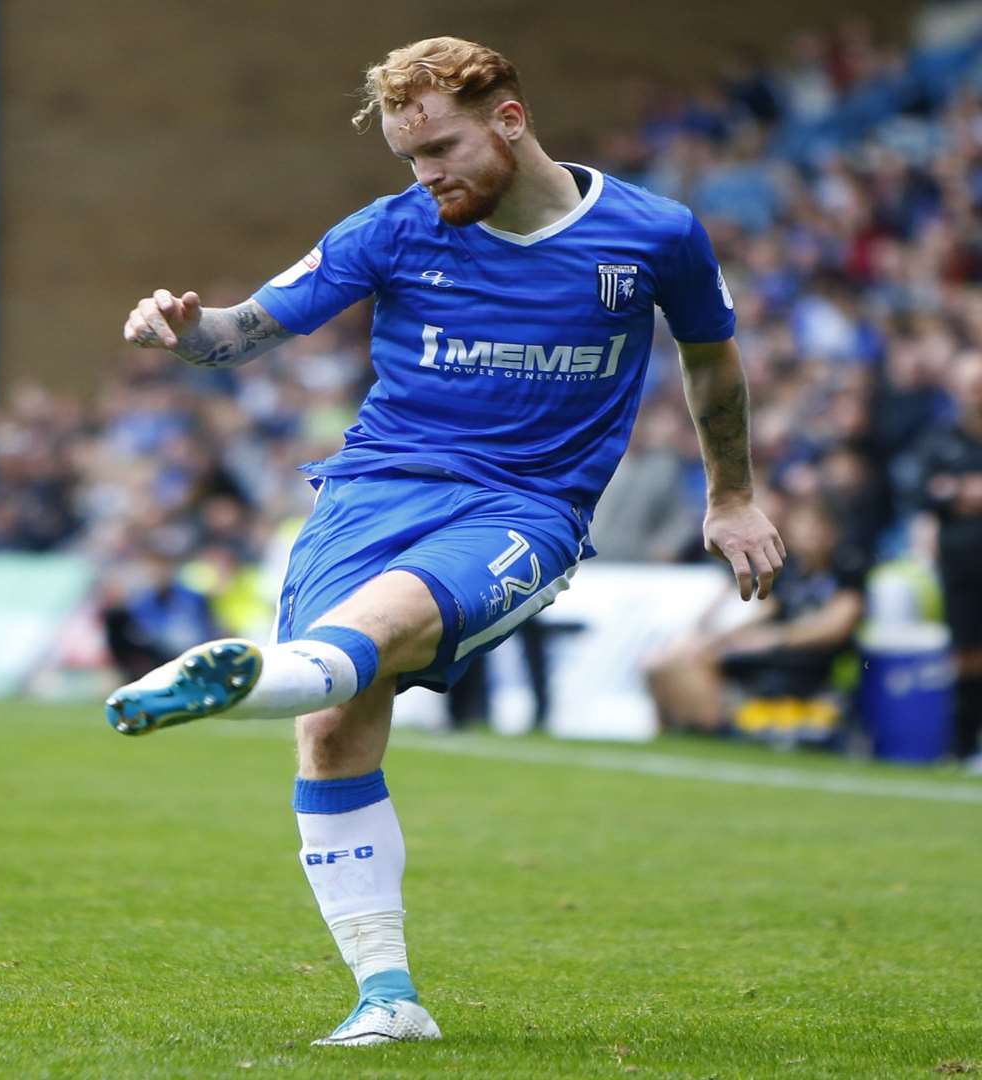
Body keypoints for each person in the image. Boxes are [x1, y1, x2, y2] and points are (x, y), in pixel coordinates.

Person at [103, 37, 783, 1048]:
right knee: (333, 722)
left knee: (382, 626)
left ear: (510, 119)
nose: (427, 177)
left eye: (441, 151)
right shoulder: (393, 229)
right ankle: (388, 1000)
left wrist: (731, 495)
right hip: (372, 491)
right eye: (409, 159)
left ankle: (246, 681)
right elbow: (247, 328)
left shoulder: (656, 235)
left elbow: (713, 367)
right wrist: (185, 331)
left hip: (526, 507)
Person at [644, 495, 865, 734]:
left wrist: (776, 637)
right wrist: (718, 640)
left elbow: (836, 626)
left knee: (701, 663)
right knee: (665, 664)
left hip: (802, 658)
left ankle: (715, 729)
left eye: (817, 525)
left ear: (833, 532)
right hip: (770, 648)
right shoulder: (787, 571)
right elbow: (763, 612)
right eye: (802, 525)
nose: (809, 533)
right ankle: (676, 732)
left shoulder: (846, 570)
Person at [915, 353, 982, 767]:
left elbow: (945, 492)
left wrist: (957, 492)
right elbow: (928, 492)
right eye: (971, 384)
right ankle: (963, 746)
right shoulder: (940, 439)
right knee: (967, 655)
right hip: (962, 565)